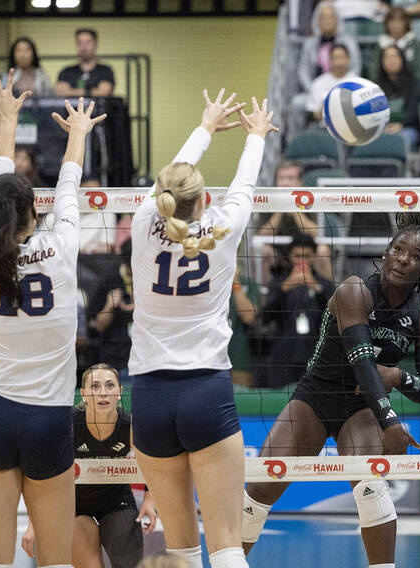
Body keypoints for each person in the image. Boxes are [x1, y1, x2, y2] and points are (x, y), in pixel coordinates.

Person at [242, 213, 420, 568]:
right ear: (385, 253)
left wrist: (399, 376)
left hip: (361, 407)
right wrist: (391, 421)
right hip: (316, 397)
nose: (402, 259)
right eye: (397, 249)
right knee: (261, 486)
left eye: (414, 256)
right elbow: (363, 366)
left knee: (371, 488)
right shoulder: (354, 290)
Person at [129, 89, 276, 568]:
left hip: (149, 396)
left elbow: (167, 184)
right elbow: (245, 186)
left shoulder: (142, 220)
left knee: (180, 549)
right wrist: (256, 135)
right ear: (204, 200)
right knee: (227, 545)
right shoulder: (225, 227)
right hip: (205, 392)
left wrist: (205, 127)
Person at [0, 67, 105, 568]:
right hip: (49, 420)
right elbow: (69, 181)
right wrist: (79, 135)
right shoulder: (61, 246)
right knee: (54, 560)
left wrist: (7, 121)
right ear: (33, 213)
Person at [21, 364, 158, 568]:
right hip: (74, 503)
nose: (103, 392)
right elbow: (38, 475)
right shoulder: (68, 425)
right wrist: (33, 523)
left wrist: (149, 501)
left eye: (110, 385)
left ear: (120, 393)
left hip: (115, 499)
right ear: (83, 394)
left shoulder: (129, 425)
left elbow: (155, 463)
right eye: (95, 386)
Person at [257, 233, 334, 388]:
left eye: (307, 256)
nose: (302, 261)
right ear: (289, 256)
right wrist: (284, 289)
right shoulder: (278, 283)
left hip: (316, 355)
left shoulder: (325, 285)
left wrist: (317, 289)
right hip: (283, 355)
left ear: (314, 257)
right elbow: (264, 317)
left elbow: (334, 318)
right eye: (297, 256)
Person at [88, 240, 134, 380]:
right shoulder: (109, 278)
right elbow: (99, 325)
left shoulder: (151, 276)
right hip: (117, 360)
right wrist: (109, 306)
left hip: (146, 359)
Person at [297, 1, 362, 94]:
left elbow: (356, 68)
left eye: (331, 17)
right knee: (296, 104)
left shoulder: (349, 42)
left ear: (337, 19)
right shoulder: (309, 44)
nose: (327, 21)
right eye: (323, 17)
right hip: (316, 91)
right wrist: (313, 90)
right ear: (316, 20)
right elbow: (303, 71)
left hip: (345, 91)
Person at [376, 46, 420, 150]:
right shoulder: (375, 86)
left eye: (395, 57)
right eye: (387, 57)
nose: (391, 60)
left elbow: (413, 112)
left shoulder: (414, 84)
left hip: (408, 128)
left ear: (402, 59)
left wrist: (400, 125)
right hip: (381, 129)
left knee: (400, 140)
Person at [368, 7, 420, 85]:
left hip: (410, 87)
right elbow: (373, 71)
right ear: (386, 23)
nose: (396, 25)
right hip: (384, 87)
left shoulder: (414, 43)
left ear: (407, 23)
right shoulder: (381, 43)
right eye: (392, 21)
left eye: (400, 21)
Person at [56, 29, 115, 98]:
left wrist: (72, 91)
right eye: (79, 43)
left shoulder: (105, 71)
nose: (83, 47)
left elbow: (104, 92)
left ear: (95, 45)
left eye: (88, 42)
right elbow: (60, 91)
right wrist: (92, 91)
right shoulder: (66, 71)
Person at [307, 43, 358, 119]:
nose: (339, 62)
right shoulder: (318, 83)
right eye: (335, 58)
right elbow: (311, 113)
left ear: (348, 59)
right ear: (329, 60)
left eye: (342, 57)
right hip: (324, 127)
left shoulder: (357, 82)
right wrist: (322, 111)